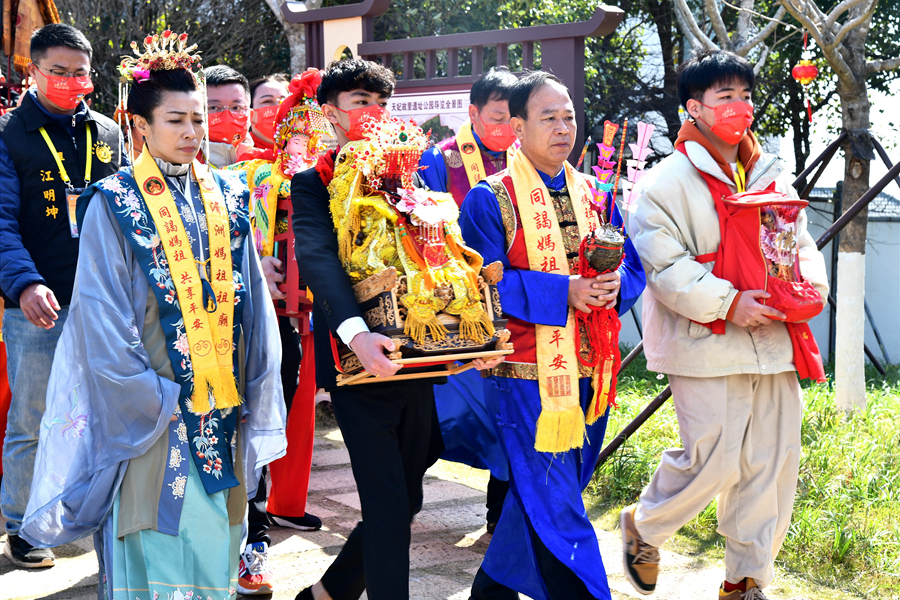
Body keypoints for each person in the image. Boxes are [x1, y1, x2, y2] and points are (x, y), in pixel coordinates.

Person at [18, 30, 287, 600]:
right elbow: (98, 317)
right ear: (141, 126)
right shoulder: (112, 202)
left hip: (224, 398)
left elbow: (253, 304)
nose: (192, 133)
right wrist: (154, 397)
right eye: (176, 120)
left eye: (198, 120)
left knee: (218, 532)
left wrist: (257, 381)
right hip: (153, 404)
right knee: (155, 532)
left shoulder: (228, 195)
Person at [291, 58, 502, 600]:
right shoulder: (313, 181)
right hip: (358, 358)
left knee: (406, 499)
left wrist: (473, 333)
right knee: (388, 509)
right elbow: (318, 260)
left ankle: (328, 593)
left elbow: (438, 260)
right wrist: (357, 332)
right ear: (330, 113)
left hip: (415, 356)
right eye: (359, 102)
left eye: (380, 103)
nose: (372, 113)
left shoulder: (407, 174)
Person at [622, 49, 828, 600]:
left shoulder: (770, 175)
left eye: (745, 95)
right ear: (694, 108)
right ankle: (645, 526)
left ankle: (745, 581)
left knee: (773, 464)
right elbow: (663, 265)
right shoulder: (664, 181)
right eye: (725, 96)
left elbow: (800, 246)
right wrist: (729, 302)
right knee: (712, 461)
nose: (740, 106)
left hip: (775, 339)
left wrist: (807, 292)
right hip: (704, 339)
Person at [459, 71, 645, 600]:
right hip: (527, 375)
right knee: (557, 501)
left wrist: (613, 289)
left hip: (593, 372)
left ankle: (490, 591)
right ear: (518, 127)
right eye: (549, 117)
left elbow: (631, 267)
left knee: (547, 495)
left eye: (569, 116)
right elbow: (481, 284)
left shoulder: (596, 192)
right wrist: (563, 291)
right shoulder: (488, 199)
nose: (564, 127)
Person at [0, 23, 123, 569]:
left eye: (81, 73)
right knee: (34, 418)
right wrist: (25, 283)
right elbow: (1, 222)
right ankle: (23, 528)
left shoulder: (108, 132)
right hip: (37, 305)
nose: (72, 82)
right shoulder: (9, 135)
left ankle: (81, 516)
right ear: (34, 71)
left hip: (103, 301)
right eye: (59, 72)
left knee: (98, 415)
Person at [228, 68, 329, 596]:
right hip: (211, 328)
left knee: (269, 423)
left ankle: (255, 539)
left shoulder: (312, 176)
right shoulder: (239, 176)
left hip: (285, 321)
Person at [419, 66, 519, 532]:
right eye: (497, 116)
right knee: (449, 411)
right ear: (473, 112)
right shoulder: (438, 161)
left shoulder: (525, 161)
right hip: (457, 311)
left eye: (513, 118)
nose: (506, 128)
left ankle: (500, 520)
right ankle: (403, 495)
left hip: (515, 311)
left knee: (509, 418)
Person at [205, 64, 253, 167]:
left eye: (236, 107)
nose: (227, 117)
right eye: (214, 108)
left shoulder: (269, 165)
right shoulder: (182, 168)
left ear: (251, 116)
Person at [246, 73, 290, 155]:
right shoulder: (235, 156)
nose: (278, 107)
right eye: (267, 101)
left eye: (284, 101)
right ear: (249, 113)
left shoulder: (307, 155)